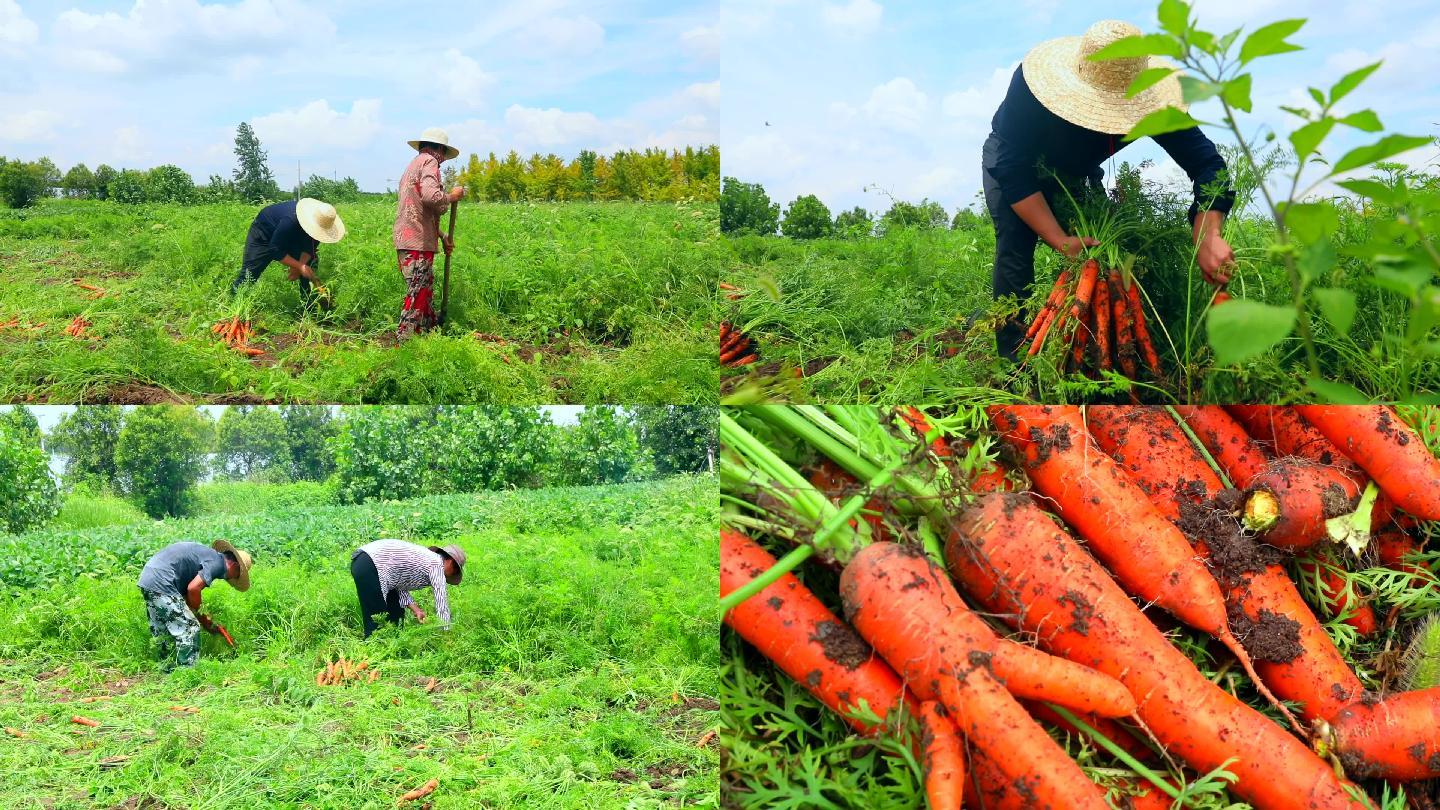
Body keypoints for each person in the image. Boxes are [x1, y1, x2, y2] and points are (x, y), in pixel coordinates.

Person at [982, 19, 1237, 361]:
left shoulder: (1156, 107)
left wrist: (1208, 233)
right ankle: (1013, 358)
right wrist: (1059, 239)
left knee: (1101, 257)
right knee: (1015, 248)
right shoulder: (1031, 89)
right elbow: (1011, 169)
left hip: (1079, 171)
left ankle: (1096, 348)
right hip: (1017, 163)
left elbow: (1208, 165)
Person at [393, 128, 467, 341]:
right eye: (443, 155)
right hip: (416, 243)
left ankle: (426, 339)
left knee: (422, 293)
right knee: (417, 296)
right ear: (440, 150)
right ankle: (405, 346)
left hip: (409, 239)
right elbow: (430, 196)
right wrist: (452, 196)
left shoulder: (412, 166)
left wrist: (442, 236)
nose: (443, 161)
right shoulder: (430, 162)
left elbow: (418, 211)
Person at [137, 540, 252, 669]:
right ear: (235, 566)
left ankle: (165, 669)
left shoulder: (208, 556)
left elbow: (187, 598)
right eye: (238, 575)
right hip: (163, 581)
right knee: (190, 627)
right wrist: (203, 619)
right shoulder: (218, 563)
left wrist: (207, 622)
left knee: (162, 630)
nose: (233, 579)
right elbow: (193, 589)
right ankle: (187, 672)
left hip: (148, 578)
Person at [232, 197, 346, 309]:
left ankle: (308, 304)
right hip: (265, 232)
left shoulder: (320, 226)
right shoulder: (290, 220)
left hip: (293, 233)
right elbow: (275, 249)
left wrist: (300, 267)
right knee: (250, 273)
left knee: (310, 264)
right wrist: (299, 266)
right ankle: (233, 302)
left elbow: (309, 248)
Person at [350, 539, 466, 638]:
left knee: (396, 613)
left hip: (367, 563)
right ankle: (374, 655)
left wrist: (416, 610)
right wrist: (446, 634)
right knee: (377, 619)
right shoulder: (437, 565)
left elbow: (398, 583)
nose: (451, 575)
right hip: (371, 563)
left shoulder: (428, 559)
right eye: (455, 571)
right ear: (450, 562)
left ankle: (393, 647)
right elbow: (442, 604)